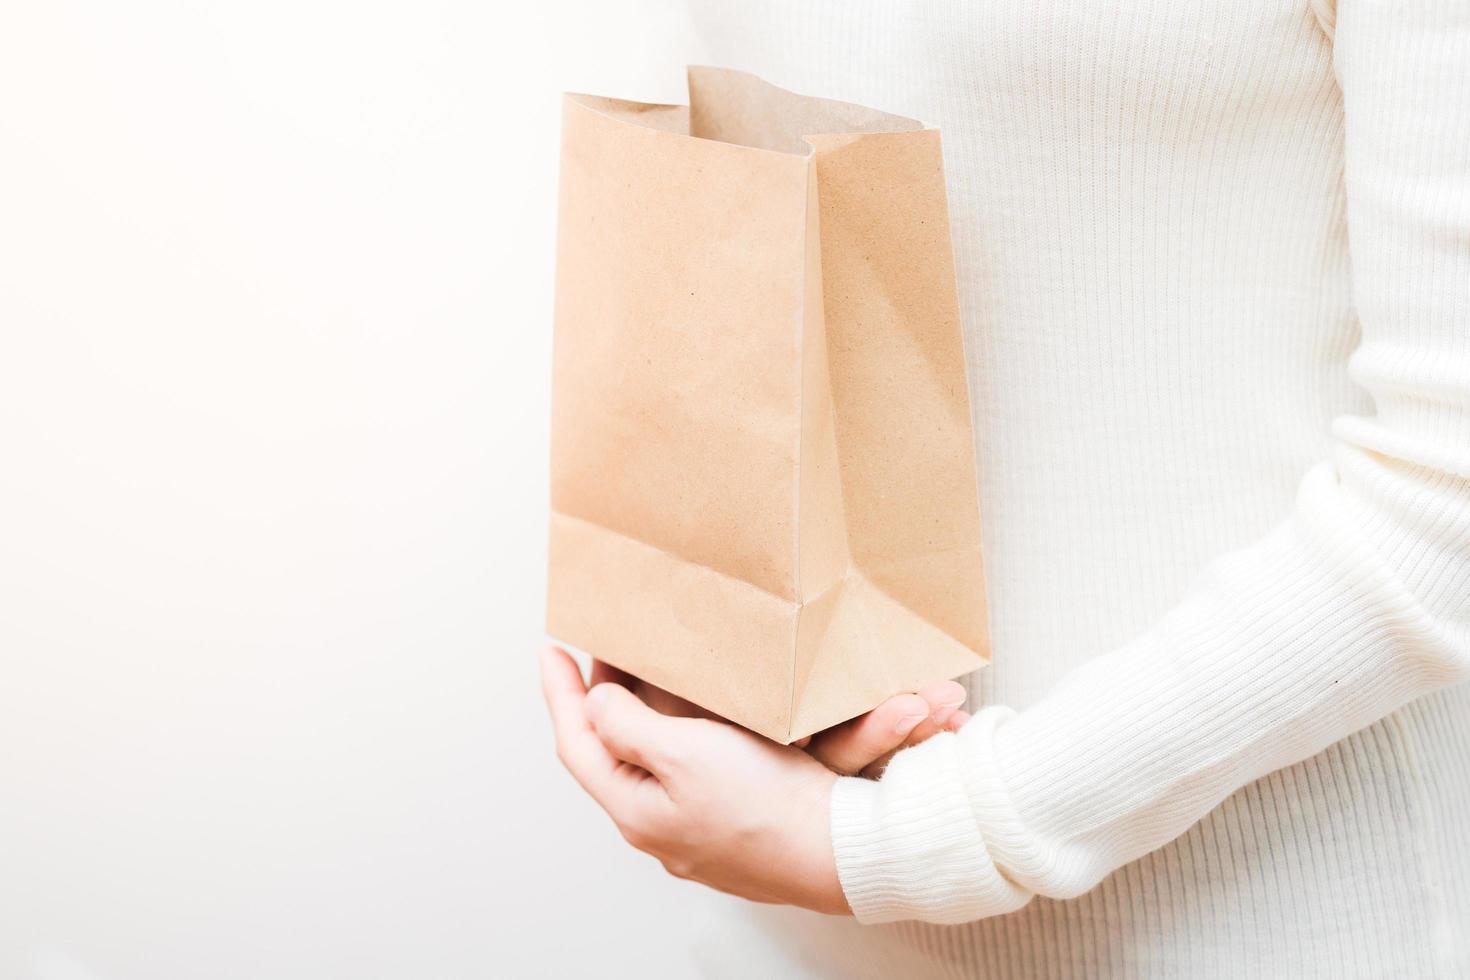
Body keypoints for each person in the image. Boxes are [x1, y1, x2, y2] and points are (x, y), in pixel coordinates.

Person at [542, 0, 1470, 975]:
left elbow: (1444, 506)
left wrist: (904, 840)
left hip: (1246, 911)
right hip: (800, 903)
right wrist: (700, 657)